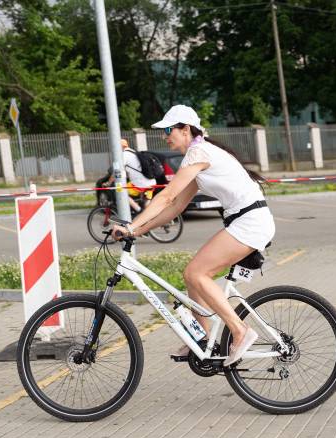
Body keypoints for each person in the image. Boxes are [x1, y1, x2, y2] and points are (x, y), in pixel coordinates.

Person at [112, 104, 275, 366]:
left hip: (250, 222)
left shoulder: (198, 152)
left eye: (169, 130)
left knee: (196, 273)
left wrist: (131, 226)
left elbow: (166, 196)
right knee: (192, 276)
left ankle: (240, 330)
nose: (165, 136)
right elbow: (176, 207)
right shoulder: (198, 155)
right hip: (245, 221)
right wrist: (139, 231)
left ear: (185, 129)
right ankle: (202, 339)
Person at [121, 139, 156, 213]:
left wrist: (109, 182)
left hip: (141, 184)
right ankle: (152, 215)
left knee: (121, 191)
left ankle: (139, 210)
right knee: (147, 202)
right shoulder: (134, 152)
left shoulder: (124, 155)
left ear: (121, 147)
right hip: (151, 181)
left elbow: (119, 170)